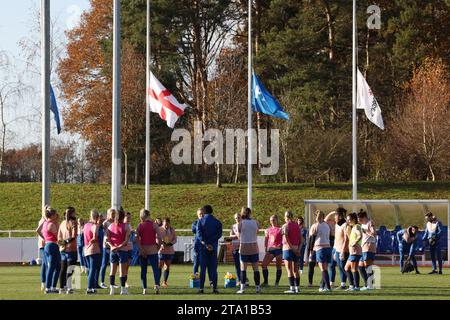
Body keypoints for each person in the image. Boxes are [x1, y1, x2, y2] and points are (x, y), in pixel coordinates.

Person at [196, 205, 223, 294]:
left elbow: (199, 235)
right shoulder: (217, 222)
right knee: (213, 269)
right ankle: (215, 288)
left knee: (202, 269)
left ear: (204, 211)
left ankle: (201, 289)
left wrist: (206, 243)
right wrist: (211, 243)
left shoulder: (200, 221)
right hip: (213, 248)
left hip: (203, 248)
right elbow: (219, 234)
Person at [236, 207, 261, 294]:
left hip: (244, 248)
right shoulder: (256, 222)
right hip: (254, 247)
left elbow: (239, 236)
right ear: (250, 213)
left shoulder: (241, 223)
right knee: (256, 269)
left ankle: (242, 288)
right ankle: (257, 288)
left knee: (243, 269)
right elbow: (257, 231)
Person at [136, 209, 162, 295]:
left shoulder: (140, 225)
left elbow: (137, 238)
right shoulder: (154, 225)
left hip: (143, 250)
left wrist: (141, 249)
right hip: (153, 250)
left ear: (142, 216)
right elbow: (159, 237)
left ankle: (144, 288)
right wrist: (158, 247)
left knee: (143, 270)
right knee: (155, 269)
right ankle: (157, 286)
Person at [36, 207, 61, 294]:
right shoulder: (51, 224)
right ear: (52, 215)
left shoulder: (45, 223)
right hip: (52, 245)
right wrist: (57, 222)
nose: (56, 216)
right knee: (52, 267)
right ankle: (49, 287)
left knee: (56, 267)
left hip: (47, 244)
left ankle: (52, 287)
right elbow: (58, 235)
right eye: (55, 214)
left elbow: (40, 231)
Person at [106, 209, 131, 295]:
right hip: (122, 251)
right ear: (123, 216)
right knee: (122, 271)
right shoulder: (126, 226)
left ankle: (112, 289)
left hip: (113, 251)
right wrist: (119, 246)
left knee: (112, 270)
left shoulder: (110, 226)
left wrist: (112, 246)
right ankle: (122, 289)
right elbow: (126, 240)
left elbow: (107, 239)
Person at [325, 208, 348, 290]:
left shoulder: (345, 225)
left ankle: (344, 284)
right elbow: (325, 220)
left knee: (342, 267)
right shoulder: (337, 224)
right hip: (335, 248)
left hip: (341, 249)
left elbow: (346, 239)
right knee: (331, 265)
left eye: (336, 215)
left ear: (340, 216)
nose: (334, 217)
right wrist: (331, 212)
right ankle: (332, 283)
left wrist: (343, 250)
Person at [309, 210, 332, 293]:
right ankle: (322, 286)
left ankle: (328, 287)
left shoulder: (315, 226)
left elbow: (312, 239)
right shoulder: (327, 225)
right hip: (328, 247)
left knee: (323, 269)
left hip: (320, 248)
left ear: (316, 216)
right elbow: (331, 236)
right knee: (325, 268)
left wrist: (311, 251)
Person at [57, 207, 78, 294]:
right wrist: (66, 242)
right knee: (70, 269)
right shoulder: (73, 223)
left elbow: (59, 237)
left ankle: (62, 288)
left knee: (63, 269)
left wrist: (62, 243)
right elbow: (74, 236)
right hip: (71, 248)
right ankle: (69, 288)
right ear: (72, 213)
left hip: (63, 249)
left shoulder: (62, 223)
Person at [282, 211, 302, 294]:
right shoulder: (297, 226)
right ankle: (297, 288)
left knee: (289, 269)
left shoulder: (285, 225)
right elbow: (301, 239)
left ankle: (292, 288)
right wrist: (298, 249)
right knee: (296, 269)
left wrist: (292, 248)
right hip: (296, 249)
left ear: (286, 217)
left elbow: (286, 239)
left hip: (288, 249)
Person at [358, 209, 377, 290]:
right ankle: (367, 284)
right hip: (363, 247)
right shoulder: (363, 224)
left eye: (360, 219)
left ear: (364, 217)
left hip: (369, 246)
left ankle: (370, 285)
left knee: (368, 266)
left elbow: (374, 234)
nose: (359, 221)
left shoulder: (370, 223)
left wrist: (366, 231)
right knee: (360, 266)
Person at [262, 215, 283, 287]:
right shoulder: (268, 230)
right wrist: (265, 247)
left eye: (273, 220)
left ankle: (276, 283)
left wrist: (282, 246)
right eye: (271, 220)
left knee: (278, 266)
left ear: (277, 220)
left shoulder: (280, 229)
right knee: (264, 265)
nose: (272, 222)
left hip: (278, 249)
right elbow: (266, 239)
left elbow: (284, 238)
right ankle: (265, 282)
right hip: (270, 249)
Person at [84, 210, 102, 294]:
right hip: (93, 249)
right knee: (93, 269)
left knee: (90, 269)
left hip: (86, 249)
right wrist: (92, 241)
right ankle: (89, 288)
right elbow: (95, 238)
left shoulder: (86, 225)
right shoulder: (95, 226)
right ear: (97, 217)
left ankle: (92, 287)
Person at [344, 212, 362, 292]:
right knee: (346, 268)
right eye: (347, 220)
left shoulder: (357, 226)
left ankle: (357, 287)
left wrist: (355, 242)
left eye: (349, 220)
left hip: (355, 251)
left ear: (354, 219)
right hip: (352, 252)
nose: (348, 221)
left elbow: (360, 235)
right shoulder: (353, 227)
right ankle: (352, 286)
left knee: (354, 269)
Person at [158, 218, 177, 287]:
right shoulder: (159, 229)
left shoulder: (172, 230)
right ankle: (157, 281)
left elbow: (175, 239)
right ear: (163, 223)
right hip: (161, 250)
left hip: (169, 251)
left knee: (167, 266)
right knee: (160, 265)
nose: (166, 226)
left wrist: (171, 243)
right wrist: (161, 243)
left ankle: (165, 282)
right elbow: (156, 238)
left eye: (168, 224)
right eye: (165, 224)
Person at [100, 208, 115, 289]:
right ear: (108, 214)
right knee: (104, 264)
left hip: (113, 245)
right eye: (112, 214)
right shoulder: (105, 223)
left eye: (114, 214)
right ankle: (102, 282)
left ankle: (112, 282)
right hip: (106, 246)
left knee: (113, 264)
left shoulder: (114, 222)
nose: (113, 216)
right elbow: (105, 234)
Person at [227, 213, 242, 286]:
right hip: (235, 247)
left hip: (242, 247)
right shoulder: (233, 226)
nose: (237, 219)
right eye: (236, 218)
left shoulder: (243, 225)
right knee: (237, 265)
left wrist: (238, 236)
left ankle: (244, 280)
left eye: (238, 217)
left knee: (243, 264)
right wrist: (237, 236)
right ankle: (239, 280)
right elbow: (230, 236)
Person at [36, 208, 48, 291]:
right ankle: (45, 283)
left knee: (45, 263)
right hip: (43, 244)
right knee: (46, 263)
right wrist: (46, 238)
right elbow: (39, 231)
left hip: (44, 244)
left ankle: (44, 283)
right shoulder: (43, 220)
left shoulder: (44, 220)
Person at [191, 208, 205, 276]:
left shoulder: (207, 223)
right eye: (200, 214)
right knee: (196, 263)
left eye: (202, 214)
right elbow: (194, 230)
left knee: (204, 264)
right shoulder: (195, 223)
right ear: (197, 215)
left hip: (205, 246)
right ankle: (195, 279)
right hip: (197, 246)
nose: (201, 215)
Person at [123, 212, 134, 288]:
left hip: (130, 247)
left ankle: (125, 281)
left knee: (127, 265)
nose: (129, 219)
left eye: (130, 217)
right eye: (128, 217)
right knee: (123, 265)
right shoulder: (122, 226)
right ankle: (123, 282)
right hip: (124, 247)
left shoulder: (129, 225)